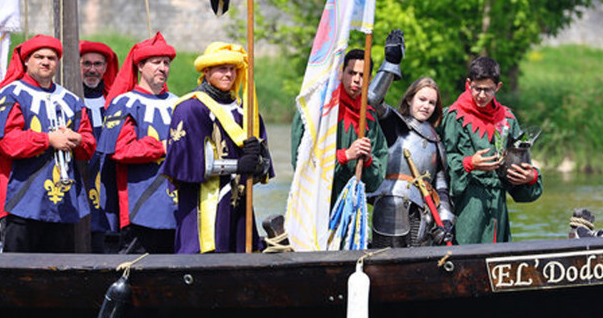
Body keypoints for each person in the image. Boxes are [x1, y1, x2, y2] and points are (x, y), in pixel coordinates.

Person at [0, 35, 96, 253]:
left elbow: (89, 145)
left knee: (56, 276)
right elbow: (8, 142)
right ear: (26, 60)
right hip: (20, 202)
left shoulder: (71, 100)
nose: (45, 62)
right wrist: (48, 140)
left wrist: (78, 140)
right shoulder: (11, 94)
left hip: (61, 205)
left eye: (51, 58)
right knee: (16, 275)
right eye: (39, 57)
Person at [162, 42, 272, 254]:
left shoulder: (246, 112)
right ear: (206, 71)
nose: (229, 74)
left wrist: (255, 161)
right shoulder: (189, 108)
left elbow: (263, 168)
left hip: (239, 207)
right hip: (202, 206)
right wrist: (238, 165)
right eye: (222, 68)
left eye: (232, 69)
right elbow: (186, 167)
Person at [442, 56, 542, 244]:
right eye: (477, 89)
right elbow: (441, 161)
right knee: (465, 261)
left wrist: (530, 178)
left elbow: (520, 163)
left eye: (487, 90)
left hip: (497, 208)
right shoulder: (454, 117)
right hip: (466, 205)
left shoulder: (508, 120)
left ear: (498, 87)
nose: (481, 95)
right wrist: (468, 164)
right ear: (468, 84)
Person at [97, 32, 178, 254]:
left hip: (176, 205)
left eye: (166, 63)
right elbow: (119, 150)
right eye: (156, 62)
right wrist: (160, 147)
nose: (162, 68)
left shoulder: (178, 103)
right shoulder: (124, 103)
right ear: (141, 66)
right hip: (139, 205)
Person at [290, 39, 394, 208]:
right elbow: (301, 161)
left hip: (349, 206)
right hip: (314, 203)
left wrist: (367, 160)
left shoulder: (369, 116)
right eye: (351, 73)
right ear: (341, 73)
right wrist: (345, 156)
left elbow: (376, 178)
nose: (356, 80)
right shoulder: (318, 108)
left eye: (362, 75)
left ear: (369, 79)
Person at [368, 68, 454, 247]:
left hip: (424, 214)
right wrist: (390, 65)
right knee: (387, 259)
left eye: (431, 102)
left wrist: (445, 221)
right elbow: (372, 100)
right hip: (392, 202)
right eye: (422, 99)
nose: (426, 106)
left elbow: (441, 186)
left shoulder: (436, 142)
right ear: (409, 99)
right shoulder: (395, 124)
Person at [79, 40, 119, 253]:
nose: (92, 70)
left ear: (105, 67)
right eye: (86, 64)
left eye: (98, 64)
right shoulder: (65, 100)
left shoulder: (115, 102)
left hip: (106, 178)